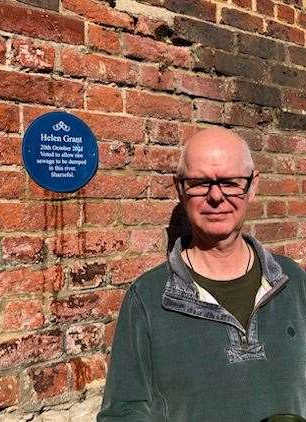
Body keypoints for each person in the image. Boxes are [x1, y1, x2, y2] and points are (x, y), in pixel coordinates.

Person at [97, 127, 306, 422]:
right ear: (180, 188)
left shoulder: (294, 282)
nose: (216, 196)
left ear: (253, 185)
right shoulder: (148, 298)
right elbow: (124, 412)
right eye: (200, 183)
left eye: (230, 182)